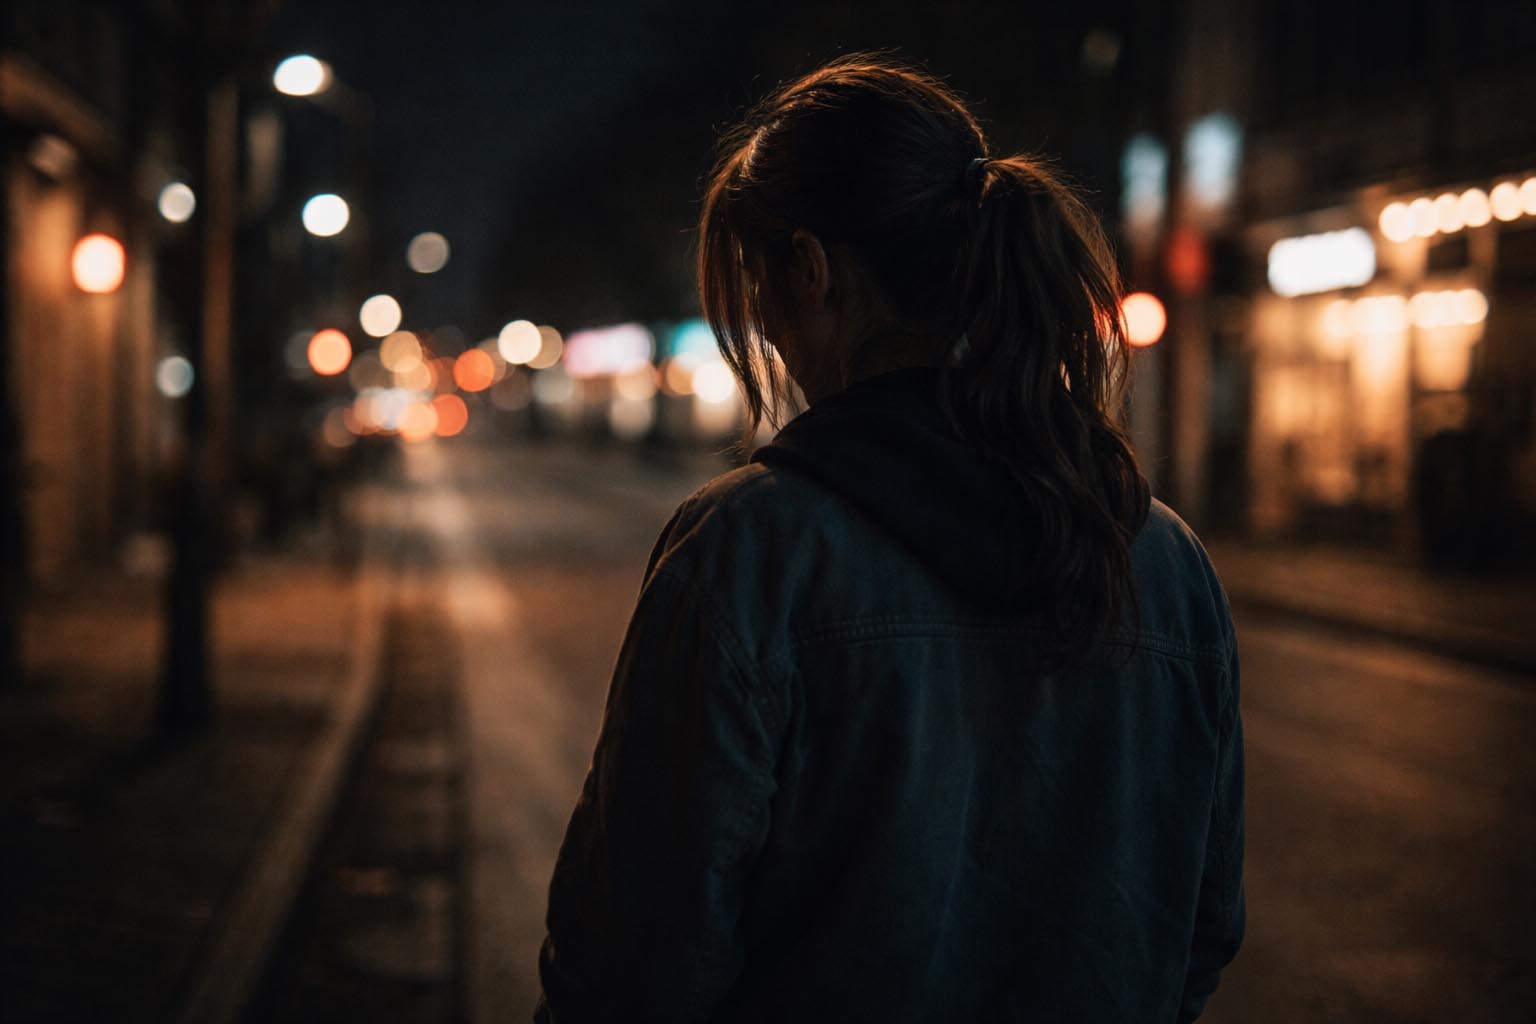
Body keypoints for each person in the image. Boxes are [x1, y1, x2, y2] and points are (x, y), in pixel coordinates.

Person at [536, 55, 1244, 1023]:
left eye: (762, 292)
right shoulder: (1167, 560)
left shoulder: (748, 552)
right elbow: (1199, 924)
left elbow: (637, 958)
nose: (769, 334)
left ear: (814, 273)